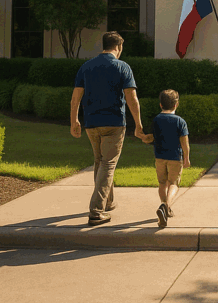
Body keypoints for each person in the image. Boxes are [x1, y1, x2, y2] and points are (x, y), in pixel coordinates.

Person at [70, 31, 146, 226]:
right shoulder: (122, 67)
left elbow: (75, 97)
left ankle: (108, 202)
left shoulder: (86, 67)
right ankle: (96, 211)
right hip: (114, 123)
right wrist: (138, 124)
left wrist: (74, 121)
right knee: (108, 164)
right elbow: (132, 98)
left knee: (100, 162)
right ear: (118, 47)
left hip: (91, 123)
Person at [141, 89, 191, 228]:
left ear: (161, 105)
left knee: (162, 183)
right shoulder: (180, 122)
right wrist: (186, 158)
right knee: (174, 183)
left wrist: (143, 138)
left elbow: (152, 137)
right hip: (175, 157)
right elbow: (184, 143)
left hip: (159, 157)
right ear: (176, 105)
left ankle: (165, 208)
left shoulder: (156, 120)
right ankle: (166, 206)